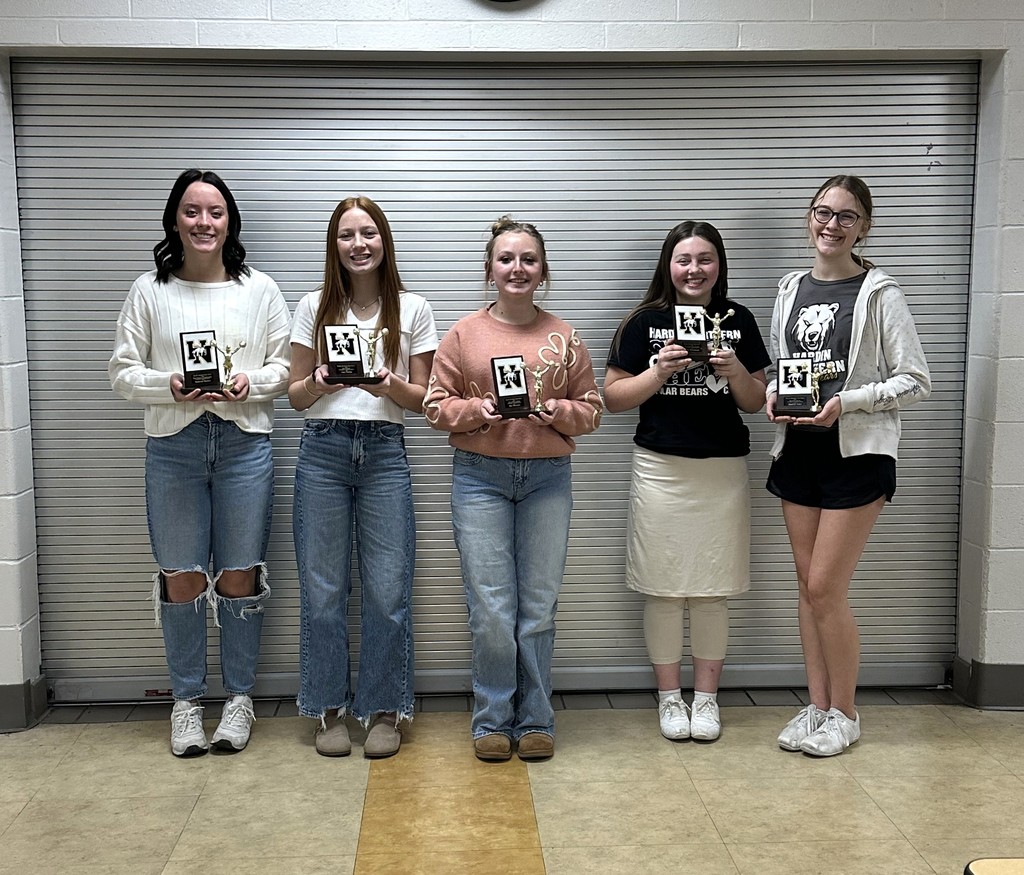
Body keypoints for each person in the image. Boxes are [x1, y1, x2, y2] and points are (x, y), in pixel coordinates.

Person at [109, 169, 290, 757]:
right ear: (175, 221)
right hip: (174, 449)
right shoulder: (149, 290)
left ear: (230, 220)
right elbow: (121, 371)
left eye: (214, 212)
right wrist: (172, 384)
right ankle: (186, 702)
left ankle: (239, 700)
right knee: (181, 576)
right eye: (192, 211)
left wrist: (248, 383)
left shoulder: (258, 289)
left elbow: (286, 369)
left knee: (240, 574)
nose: (204, 222)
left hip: (243, 446)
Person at [424, 217, 602, 762]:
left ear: (543, 270)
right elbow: (435, 405)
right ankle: (491, 720)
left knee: (539, 607)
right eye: (507, 259)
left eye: (528, 259)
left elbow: (592, 410)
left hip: (548, 480)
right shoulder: (463, 334)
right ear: (490, 269)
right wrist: (476, 410)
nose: (517, 268)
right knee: (492, 607)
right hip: (479, 478)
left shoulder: (564, 336)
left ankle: (537, 718)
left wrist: (559, 413)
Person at [766, 175, 930, 757]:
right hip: (799, 451)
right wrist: (773, 395)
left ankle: (847, 713)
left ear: (865, 226)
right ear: (808, 218)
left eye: (845, 216)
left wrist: (849, 402)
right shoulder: (790, 287)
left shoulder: (880, 292)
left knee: (826, 587)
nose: (830, 225)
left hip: (857, 456)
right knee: (807, 592)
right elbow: (788, 368)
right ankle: (817, 708)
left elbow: (915, 380)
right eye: (821, 212)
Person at [604, 221, 769, 743]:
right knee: (663, 589)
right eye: (683, 260)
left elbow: (758, 400)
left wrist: (736, 369)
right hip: (660, 470)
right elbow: (612, 397)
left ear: (719, 265)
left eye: (704, 259)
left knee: (713, 590)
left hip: (721, 472)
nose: (694, 270)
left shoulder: (737, 320)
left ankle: (708, 700)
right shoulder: (643, 321)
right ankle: (670, 699)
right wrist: (659, 372)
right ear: (667, 266)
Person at [289, 195, 438, 759]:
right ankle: (326, 709)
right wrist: (324, 384)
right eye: (347, 235)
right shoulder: (311, 305)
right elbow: (296, 396)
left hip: (384, 453)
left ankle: (383, 709)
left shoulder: (412, 307)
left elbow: (424, 400)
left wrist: (386, 385)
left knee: (387, 592)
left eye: (368, 233)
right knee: (324, 591)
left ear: (384, 241)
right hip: (323, 451)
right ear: (335, 245)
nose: (359, 244)